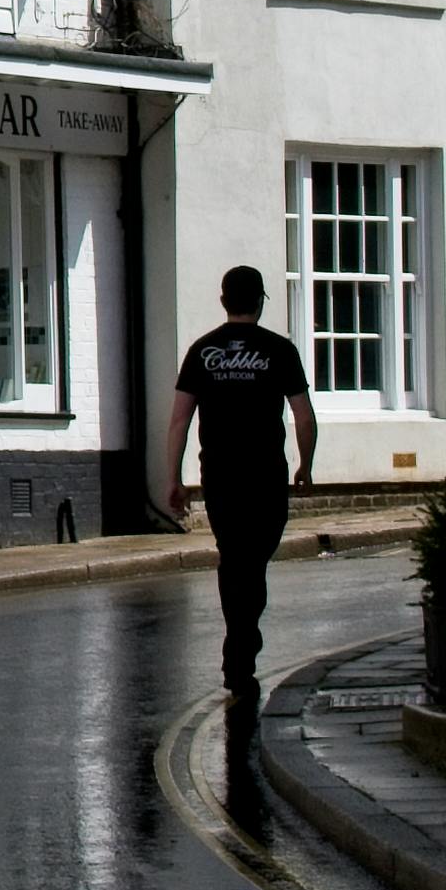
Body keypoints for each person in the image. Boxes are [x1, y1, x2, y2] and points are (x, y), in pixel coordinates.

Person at [163, 265, 310, 703]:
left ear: (224, 300)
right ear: (260, 301)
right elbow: (303, 414)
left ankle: (239, 639)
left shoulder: (202, 351)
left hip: (220, 475)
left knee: (234, 558)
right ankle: (242, 645)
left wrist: (174, 479)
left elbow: (179, 420)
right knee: (254, 560)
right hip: (266, 475)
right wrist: (305, 465)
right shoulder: (280, 350)